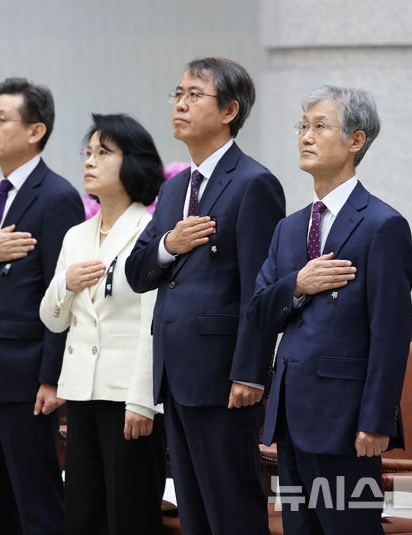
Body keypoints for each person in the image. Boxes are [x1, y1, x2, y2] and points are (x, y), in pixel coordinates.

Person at [125, 57, 285, 534]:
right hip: (174, 371)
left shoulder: (254, 183)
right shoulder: (174, 189)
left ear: (230, 109)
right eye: (177, 94)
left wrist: (250, 373)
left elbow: (261, 288)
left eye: (195, 94)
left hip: (223, 378)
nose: (180, 104)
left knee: (230, 508)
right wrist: (170, 245)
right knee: (193, 510)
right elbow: (137, 272)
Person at [248, 85, 412, 534]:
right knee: (299, 528)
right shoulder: (289, 228)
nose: (305, 135)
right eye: (302, 126)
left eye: (320, 126)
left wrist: (376, 420)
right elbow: (260, 312)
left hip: (345, 421)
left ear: (356, 141)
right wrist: (298, 284)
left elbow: (390, 334)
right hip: (289, 417)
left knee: (348, 527)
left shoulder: (383, 226)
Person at [0, 77, 84, 535]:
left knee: (36, 499)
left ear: (35, 131)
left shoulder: (57, 197)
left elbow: (61, 294)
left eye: (1, 119)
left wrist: (51, 376)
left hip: (27, 374)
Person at [39, 113, 166, 535]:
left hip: (127, 396)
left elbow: (153, 321)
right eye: (88, 153)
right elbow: (53, 320)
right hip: (82, 390)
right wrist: (65, 283)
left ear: (133, 163)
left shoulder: (150, 231)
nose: (89, 161)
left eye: (103, 153)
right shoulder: (76, 234)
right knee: (82, 512)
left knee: (128, 513)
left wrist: (142, 400)